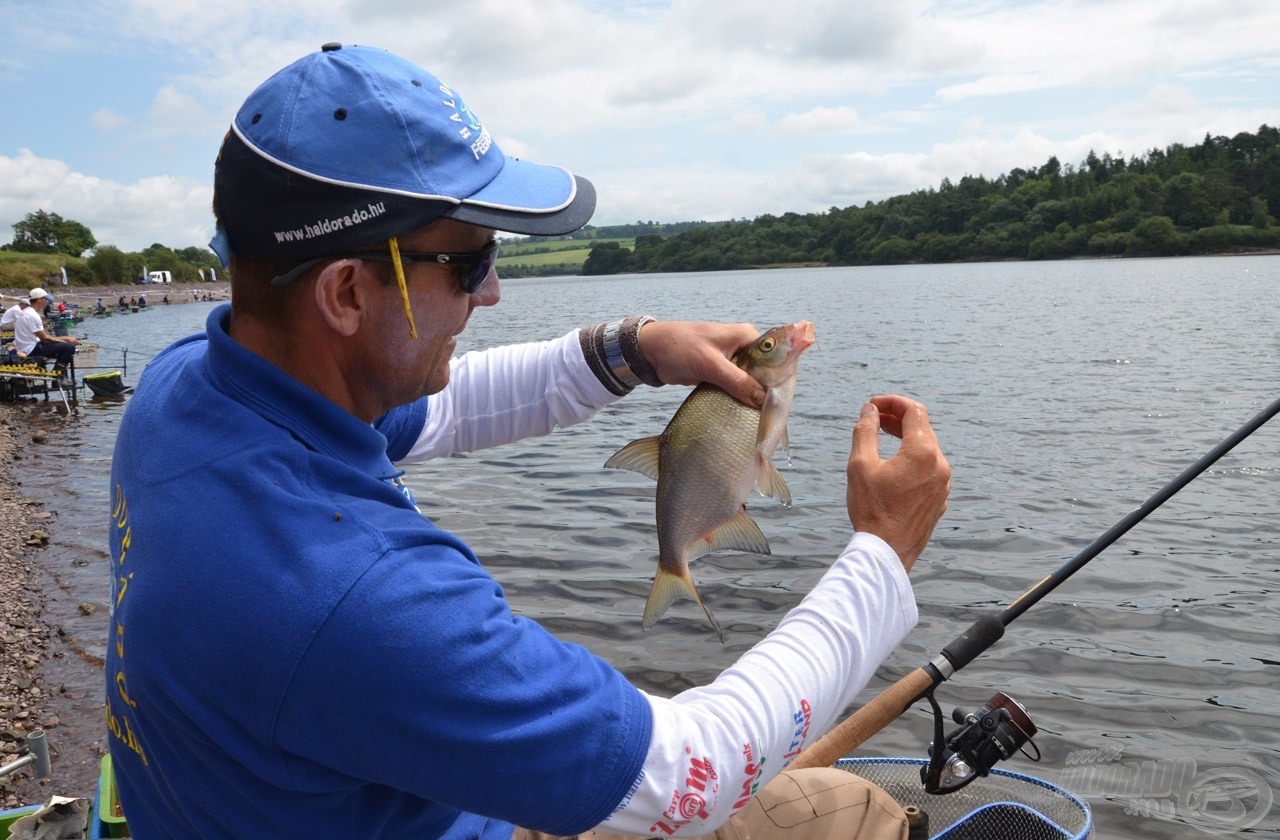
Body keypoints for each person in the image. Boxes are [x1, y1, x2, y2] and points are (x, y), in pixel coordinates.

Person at [105, 44, 951, 840]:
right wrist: (882, 554)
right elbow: (690, 772)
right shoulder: (351, 598)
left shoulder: (191, 388)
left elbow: (450, 409)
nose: (496, 291)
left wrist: (634, 349)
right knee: (853, 811)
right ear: (347, 293)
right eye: (470, 264)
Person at [14, 287, 77, 367]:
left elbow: (42, 337)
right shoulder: (32, 315)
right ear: (40, 300)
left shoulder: (26, 312)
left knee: (64, 344)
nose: (47, 302)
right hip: (30, 350)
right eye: (46, 299)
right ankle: (58, 375)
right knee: (69, 347)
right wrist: (67, 339)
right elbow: (44, 339)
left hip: (25, 347)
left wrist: (64, 339)